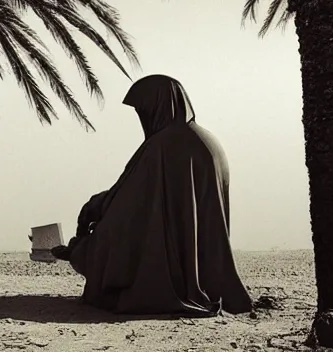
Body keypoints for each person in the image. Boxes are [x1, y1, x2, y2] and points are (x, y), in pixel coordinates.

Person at [53, 74, 252, 316]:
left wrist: (84, 232)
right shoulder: (207, 140)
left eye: (144, 111)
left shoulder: (161, 147)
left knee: (103, 240)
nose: (143, 119)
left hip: (167, 269)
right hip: (208, 272)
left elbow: (125, 206)